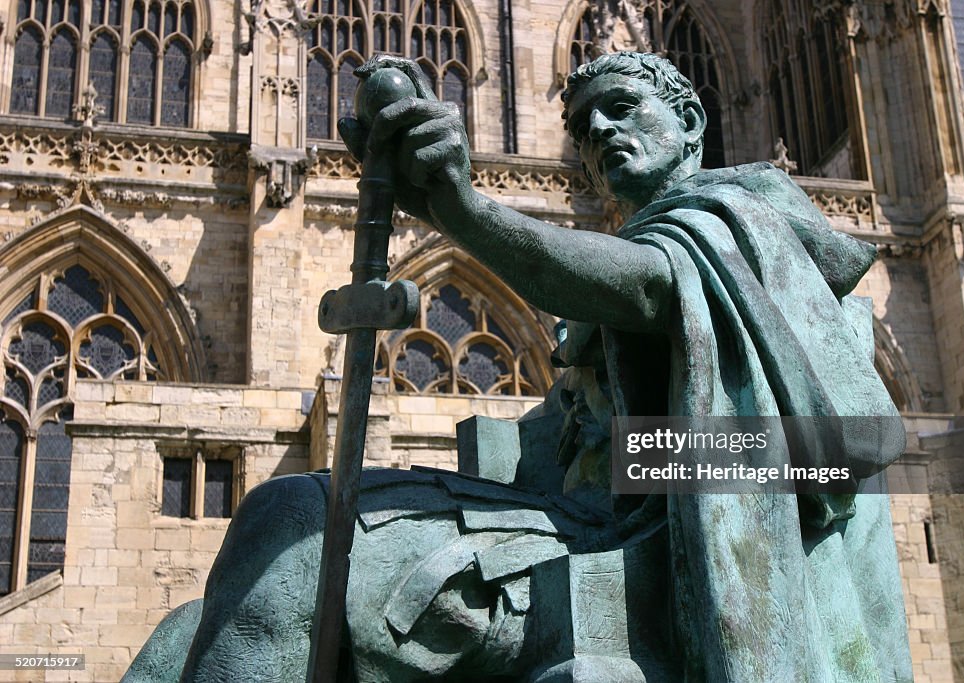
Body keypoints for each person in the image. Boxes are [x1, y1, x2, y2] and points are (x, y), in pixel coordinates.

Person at [126, 52, 912, 682]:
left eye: (621, 108)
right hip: (574, 514)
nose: (599, 132)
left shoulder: (747, 213)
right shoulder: (636, 252)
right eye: (581, 124)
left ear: (693, 121)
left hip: (653, 543)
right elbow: (565, 434)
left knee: (292, 530)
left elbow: (643, 286)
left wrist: (462, 212)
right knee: (189, 626)